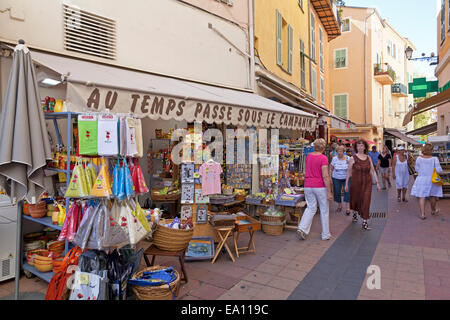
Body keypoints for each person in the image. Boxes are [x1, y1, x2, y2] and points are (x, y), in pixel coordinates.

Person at [297, 138, 333, 241]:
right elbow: (325, 176)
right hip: (320, 186)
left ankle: (302, 228)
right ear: (323, 147)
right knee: (324, 210)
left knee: (311, 208)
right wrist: (329, 192)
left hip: (308, 185)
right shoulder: (323, 158)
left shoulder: (308, 157)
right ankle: (325, 234)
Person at [345, 139, 380, 230]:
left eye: (361, 145)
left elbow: (373, 170)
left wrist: (377, 182)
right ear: (356, 148)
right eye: (358, 146)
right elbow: (348, 172)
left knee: (366, 200)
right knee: (356, 199)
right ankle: (355, 213)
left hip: (367, 183)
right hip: (356, 183)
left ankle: (364, 222)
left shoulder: (369, 158)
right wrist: (346, 184)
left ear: (365, 147)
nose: (360, 147)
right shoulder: (352, 158)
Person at [410, 143, 443, 220]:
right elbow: (439, 170)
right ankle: (433, 210)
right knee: (433, 195)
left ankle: (422, 214)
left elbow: (417, 169)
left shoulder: (419, 159)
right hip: (432, 179)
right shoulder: (435, 159)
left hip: (421, 179)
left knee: (422, 196)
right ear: (431, 150)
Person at [330, 145, 350, 215]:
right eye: (338, 151)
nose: (339, 153)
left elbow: (350, 169)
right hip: (336, 178)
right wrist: (330, 179)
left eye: (341, 151)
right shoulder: (334, 159)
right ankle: (339, 205)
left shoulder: (348, 158)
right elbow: (331, 169)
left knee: (347, 191)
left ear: (343, 152)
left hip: (346, 178)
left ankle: (347, 208)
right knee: (337, 192)